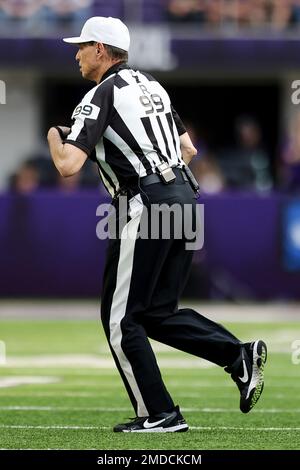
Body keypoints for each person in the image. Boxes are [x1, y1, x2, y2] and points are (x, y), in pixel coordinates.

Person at [47, 16, 267, 433]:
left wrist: (54, 136)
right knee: (156, 313)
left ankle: (160, 413)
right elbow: (187, 147)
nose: (76, 54)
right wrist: (159, 180)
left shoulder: (100, 93)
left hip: (144, 203)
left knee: (119, 319)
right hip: (183, 195)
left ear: (101, 50)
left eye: (82, 46)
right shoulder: (153, 86)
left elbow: (67, 165)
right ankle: (236, 355)